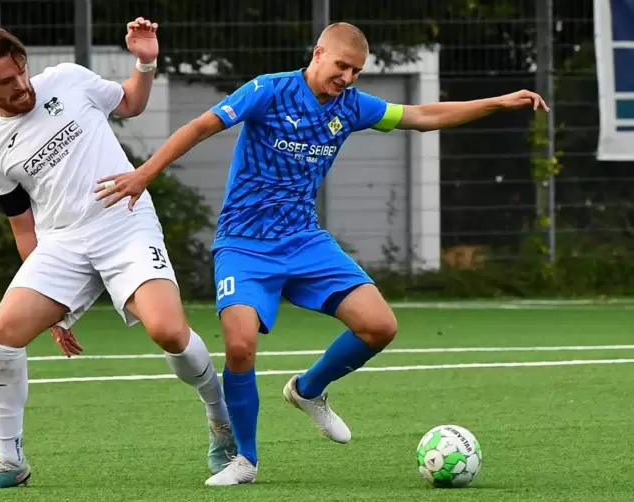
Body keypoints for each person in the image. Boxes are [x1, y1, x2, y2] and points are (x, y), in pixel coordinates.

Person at [94, 22, 549, 486]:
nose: (348, 78)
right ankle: (244, 460)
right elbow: (199, 126)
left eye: (356, 71)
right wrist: (143, 173)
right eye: (341, 66)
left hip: (304, 241)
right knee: (239, 345)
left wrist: (496, 102)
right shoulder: (269, 91)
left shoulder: (352, 107)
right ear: (318, 54)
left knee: (379, 326)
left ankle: (308, 390)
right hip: (244, 244)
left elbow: (423, 115)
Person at [0, 20, 235, 490]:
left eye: (22, 71)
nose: (22, 85)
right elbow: (23, 227)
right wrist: (53, 312)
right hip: (64, 243)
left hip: (123, 220)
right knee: (5, 332)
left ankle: (221, 423)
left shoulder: (67, 79)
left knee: (168, 331)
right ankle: (10, 461)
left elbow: (131, 102)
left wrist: (145, 61)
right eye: (6, 81)